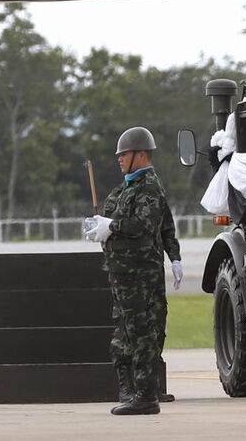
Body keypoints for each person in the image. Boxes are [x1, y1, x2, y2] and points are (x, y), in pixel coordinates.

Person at [85, 126, 179, 415]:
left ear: (141, 155)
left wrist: (111, 226)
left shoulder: (148, 187)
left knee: (142, 332)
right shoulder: (126, 188)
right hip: (123, 273)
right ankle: (134, 389)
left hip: (139, 273)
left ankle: (146, 396)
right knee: (128, 332)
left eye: (124, 154)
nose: (119, 159)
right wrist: (100, 227)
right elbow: (114, 218)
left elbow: (147, 225)